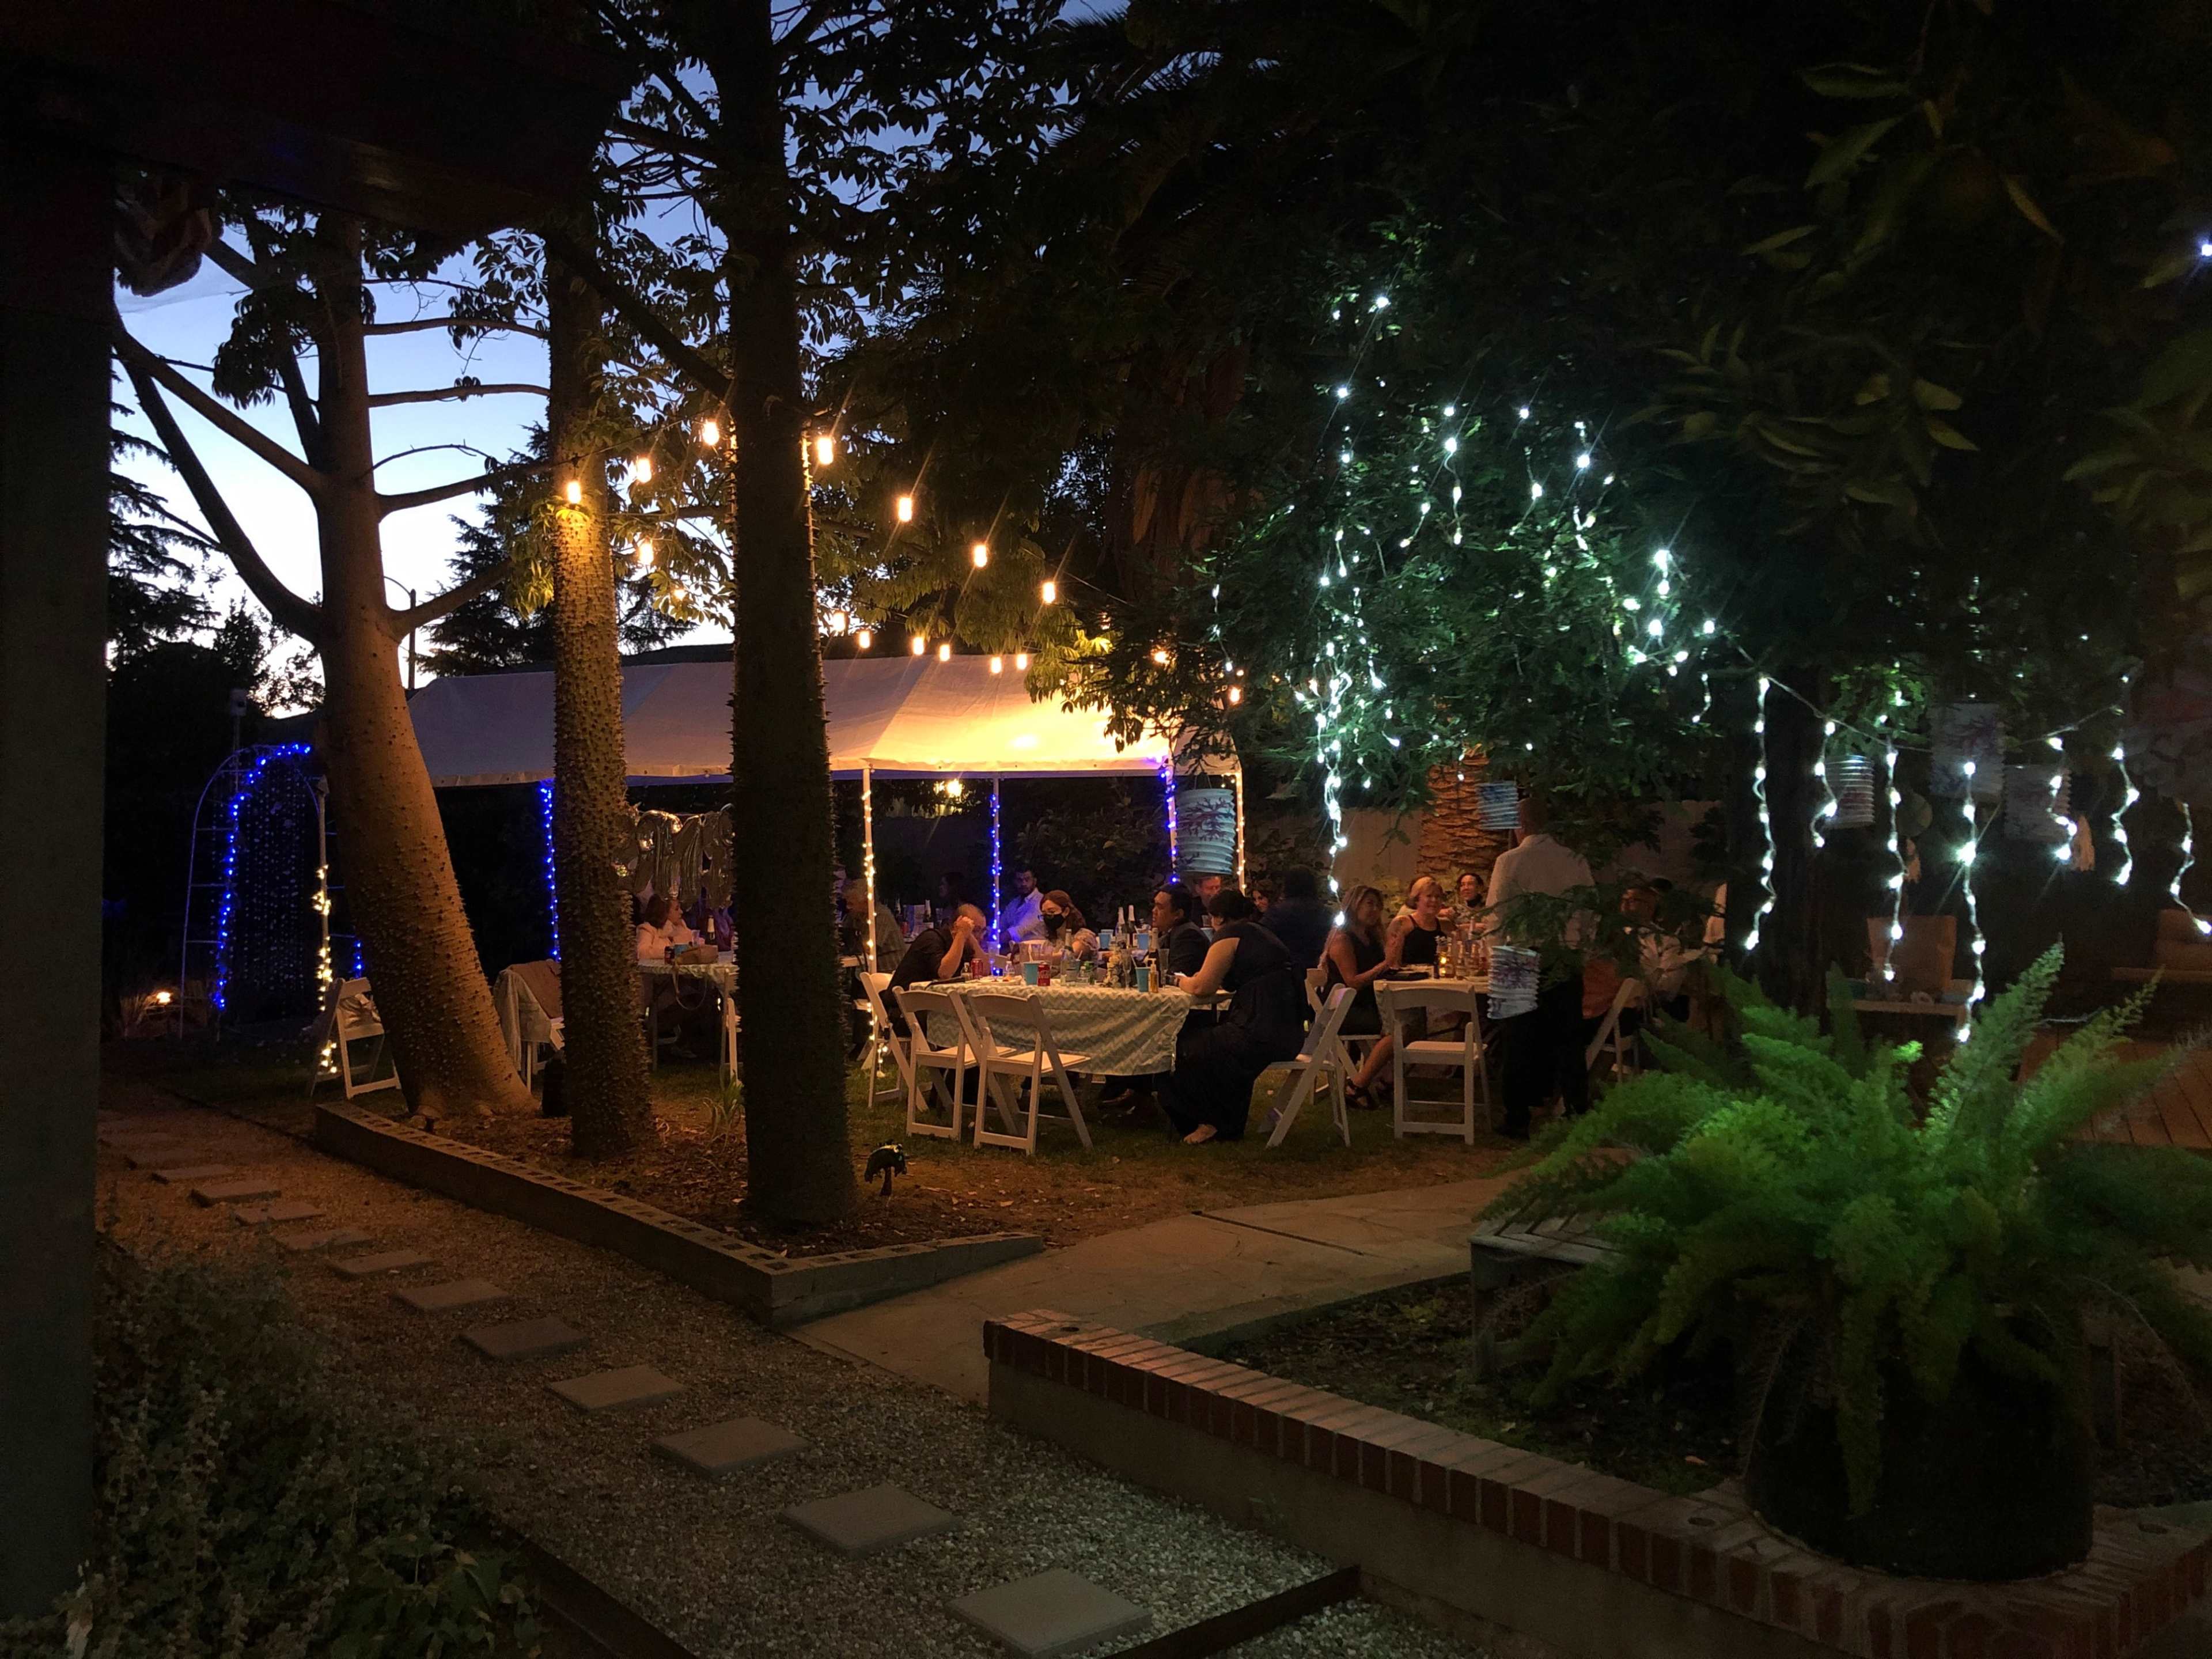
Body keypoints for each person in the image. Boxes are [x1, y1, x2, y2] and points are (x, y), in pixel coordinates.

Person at [1484, 794, 1596, 1139]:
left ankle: (1517, 1117)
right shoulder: (1575, 861)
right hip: (1564, 956)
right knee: (1568, 1039)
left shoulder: (1510, 861)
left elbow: (1497, 915)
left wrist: (1496, 956)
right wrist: (1581, 950)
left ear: (1521, 826)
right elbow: (1590, 911)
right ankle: (1577, 1110)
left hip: (1518, 956)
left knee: (1517, 1041)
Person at [1159, 888, 1306, 1144]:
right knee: (1207, 1038)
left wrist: (1179, 980)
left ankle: (1209, 1120)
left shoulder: (1229, 936)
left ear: (1218, 917)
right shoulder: (1261, 933)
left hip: (1260, 1028)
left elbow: (1202, 986)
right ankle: (1221, 1119)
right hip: (1288, 1029)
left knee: (1187, 1044)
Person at [1324, 885, 1405, 1108]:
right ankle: (1357, 1086)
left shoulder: (1371, 936)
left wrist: (1394, 960)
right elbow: (1353, 982)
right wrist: (1386, 963)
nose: (1375, 910)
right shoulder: (1342, 939)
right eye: (1369, 903)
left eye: (1378, 906)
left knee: (1409, 1019)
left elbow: (1382, 970)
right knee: (1397, 1029)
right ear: (1355, 905)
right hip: (1343, 1010)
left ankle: (1385, 1080)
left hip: (1368, 1004)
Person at [885, 902, 987, 1036]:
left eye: (982, 931)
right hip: (904, 1013)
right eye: (975, 930)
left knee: (980, 1019)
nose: (980, 936)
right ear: (955, 926)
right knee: (968, 1023)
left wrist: (972, 938)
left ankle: (976, 1055)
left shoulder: (965, 945)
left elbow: (985, 971)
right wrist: (962, 935)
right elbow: (945, 973)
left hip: (935, 1010)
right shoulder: (932, 939)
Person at [1264, 866, 1334, 969]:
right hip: (1316, 964)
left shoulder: (1278, 911)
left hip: (1286, 967)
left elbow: (1264, 936)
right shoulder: (1325, 912)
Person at [839, 877, 904, 972]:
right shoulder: (853, 916)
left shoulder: (881, 915)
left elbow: (871, 947)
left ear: (866, 902)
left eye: (851, 903)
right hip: (866, 970)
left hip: (889, 971)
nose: (848, 907)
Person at [1152, 884, 1210, 978]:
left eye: (1160, 907)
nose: (1154, 911)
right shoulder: (1169, 932)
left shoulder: (1188, 936)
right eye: (1155, 905)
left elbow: (1177, 975)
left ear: (1178, 914)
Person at [1389, 875, 1446, 972]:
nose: (1434, 900)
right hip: (1409, 982)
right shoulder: (1402, 923)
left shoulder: (1447, 926)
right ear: (1417, 900)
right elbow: (1393, 963)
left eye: (1438, 897)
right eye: (1429, 896)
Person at [635, 892, 699, 962]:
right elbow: (642, 953)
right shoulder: (648, 929)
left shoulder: (682, 928)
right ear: (664, 911)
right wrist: (671, 952)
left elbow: (691, 951)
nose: (681, 912)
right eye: (677, 909)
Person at [1037, 889, 1099, 958]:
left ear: (1066, 912)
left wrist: (1039, 958)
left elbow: (1069, 955)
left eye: (1052, 912)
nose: (1047, 917)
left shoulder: (1085, 936)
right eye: (1044, 914)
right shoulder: (1052, 940)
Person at [1003, 865, 1044, 941]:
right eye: (1020, 880)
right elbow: (1002, 924)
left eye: (1027, 879)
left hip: (1036, 949)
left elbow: (1020, 930)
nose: (1023, 884)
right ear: (1015, 882)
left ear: (1034, 881)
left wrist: (996, 940)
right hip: (1015, 948)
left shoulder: (1041, 902)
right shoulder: (1014, 903)